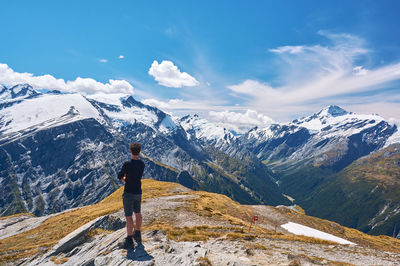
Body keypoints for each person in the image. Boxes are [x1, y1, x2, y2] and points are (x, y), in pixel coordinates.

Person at [117, 142, 145, 249]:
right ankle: (137, 234)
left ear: (130, 151)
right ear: (139, 151)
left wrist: (124, 179)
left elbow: (120, 176)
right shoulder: (142, 164)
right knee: (138, 213)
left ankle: (129, 240)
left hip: (129, 192)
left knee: (128, 216)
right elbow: (137, 176)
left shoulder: (127, 164)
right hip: (138, 192)